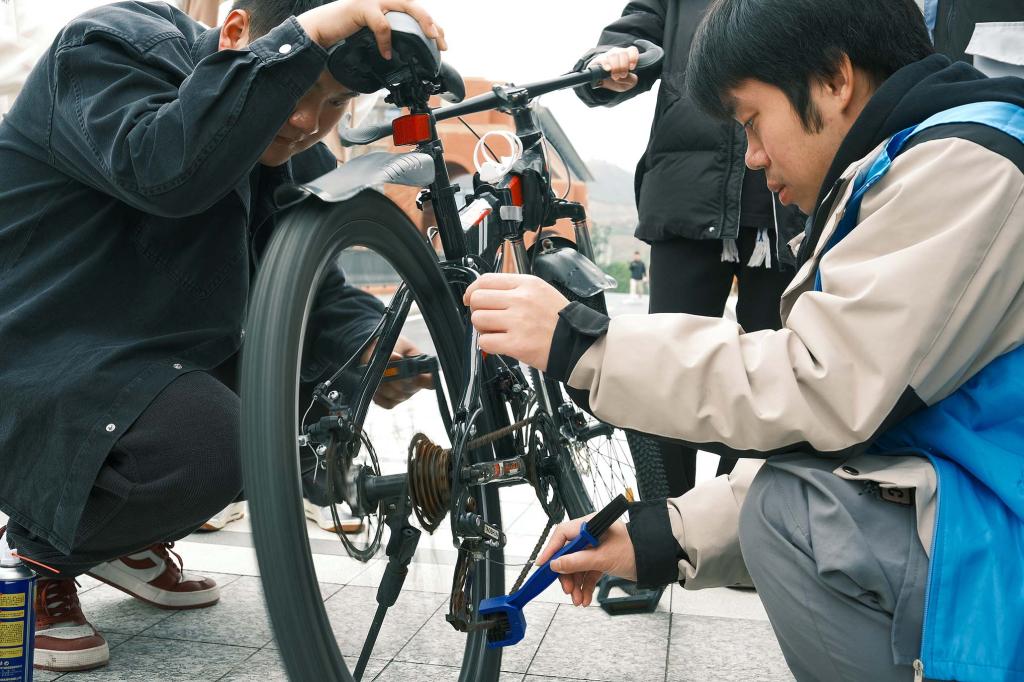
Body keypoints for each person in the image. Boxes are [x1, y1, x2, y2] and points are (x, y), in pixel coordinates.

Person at [464, 0, 1024, 679]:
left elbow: (819, 386)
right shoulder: (913, 164)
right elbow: (852, 434)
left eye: (753, 121)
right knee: (789, 494)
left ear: (834, 79)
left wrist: (584, 345)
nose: (753, 156)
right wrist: (657, 536)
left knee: (794, 515)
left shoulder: (970, 166)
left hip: (999, 529)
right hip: (987, 500)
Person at [0, 0, 443, 672]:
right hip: (40, 355)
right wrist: (306, 38)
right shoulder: (107, 48)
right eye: (298, 90)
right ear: (236, 33)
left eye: (331, 106)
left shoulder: (286, 149)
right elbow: (164, 167)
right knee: (220, 441)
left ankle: (123, 537)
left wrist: (376, 353)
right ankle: (42, 556)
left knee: (291, 402)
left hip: (136, 369)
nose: (304, 123)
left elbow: (316, 294)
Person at [575, 2, 805, 498]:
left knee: (770, 367)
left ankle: (739, 516)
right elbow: (633, 36)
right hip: (686, 192)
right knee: (662, 361)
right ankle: (661, 518)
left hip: (783, 200)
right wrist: (611, 62)